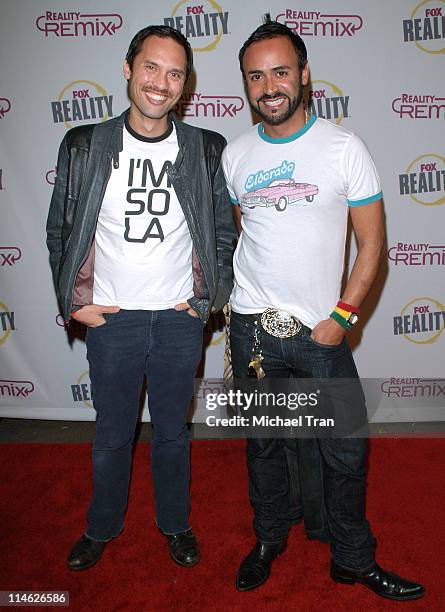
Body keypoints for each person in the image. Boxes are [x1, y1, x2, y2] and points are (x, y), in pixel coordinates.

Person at [222, 18, 424, 600]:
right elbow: (247, 235)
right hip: (251, 331)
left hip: (321, 334)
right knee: (262, 445)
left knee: (346, 449)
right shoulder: (236, 156)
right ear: (246, 85)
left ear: (305, 75)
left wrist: (342, 319)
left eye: (281, 71)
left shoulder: (343, 148)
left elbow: (373, 246)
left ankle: (353, 560)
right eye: (256, 76)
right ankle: (268, 538)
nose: (269, 86)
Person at [46, 25, 235, 571]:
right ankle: (101, 526)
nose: (162, 82)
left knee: (173, 432)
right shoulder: (85, 143)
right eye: (151, 67)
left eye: (175, 73)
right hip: (112, 318)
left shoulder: (204, 148)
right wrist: (72, 301)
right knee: (111, 434)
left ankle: (175, 524)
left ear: (186, 84)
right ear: (128, 69)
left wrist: (208, 299)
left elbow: (222, 233)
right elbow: (61, 230)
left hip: (178, 319)